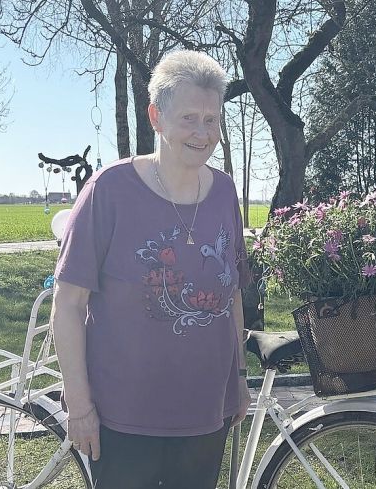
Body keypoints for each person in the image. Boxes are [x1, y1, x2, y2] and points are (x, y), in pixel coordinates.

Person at [51, 50, 251, 489]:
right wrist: (80, 405)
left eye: (212, 120)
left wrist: (237, 380)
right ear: (156, 117)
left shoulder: (224, 194)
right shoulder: (109, 191)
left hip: (204, 414)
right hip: (125, 420)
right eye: (189, 118)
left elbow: (232, 294)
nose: (203, 133)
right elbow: (67, 304)